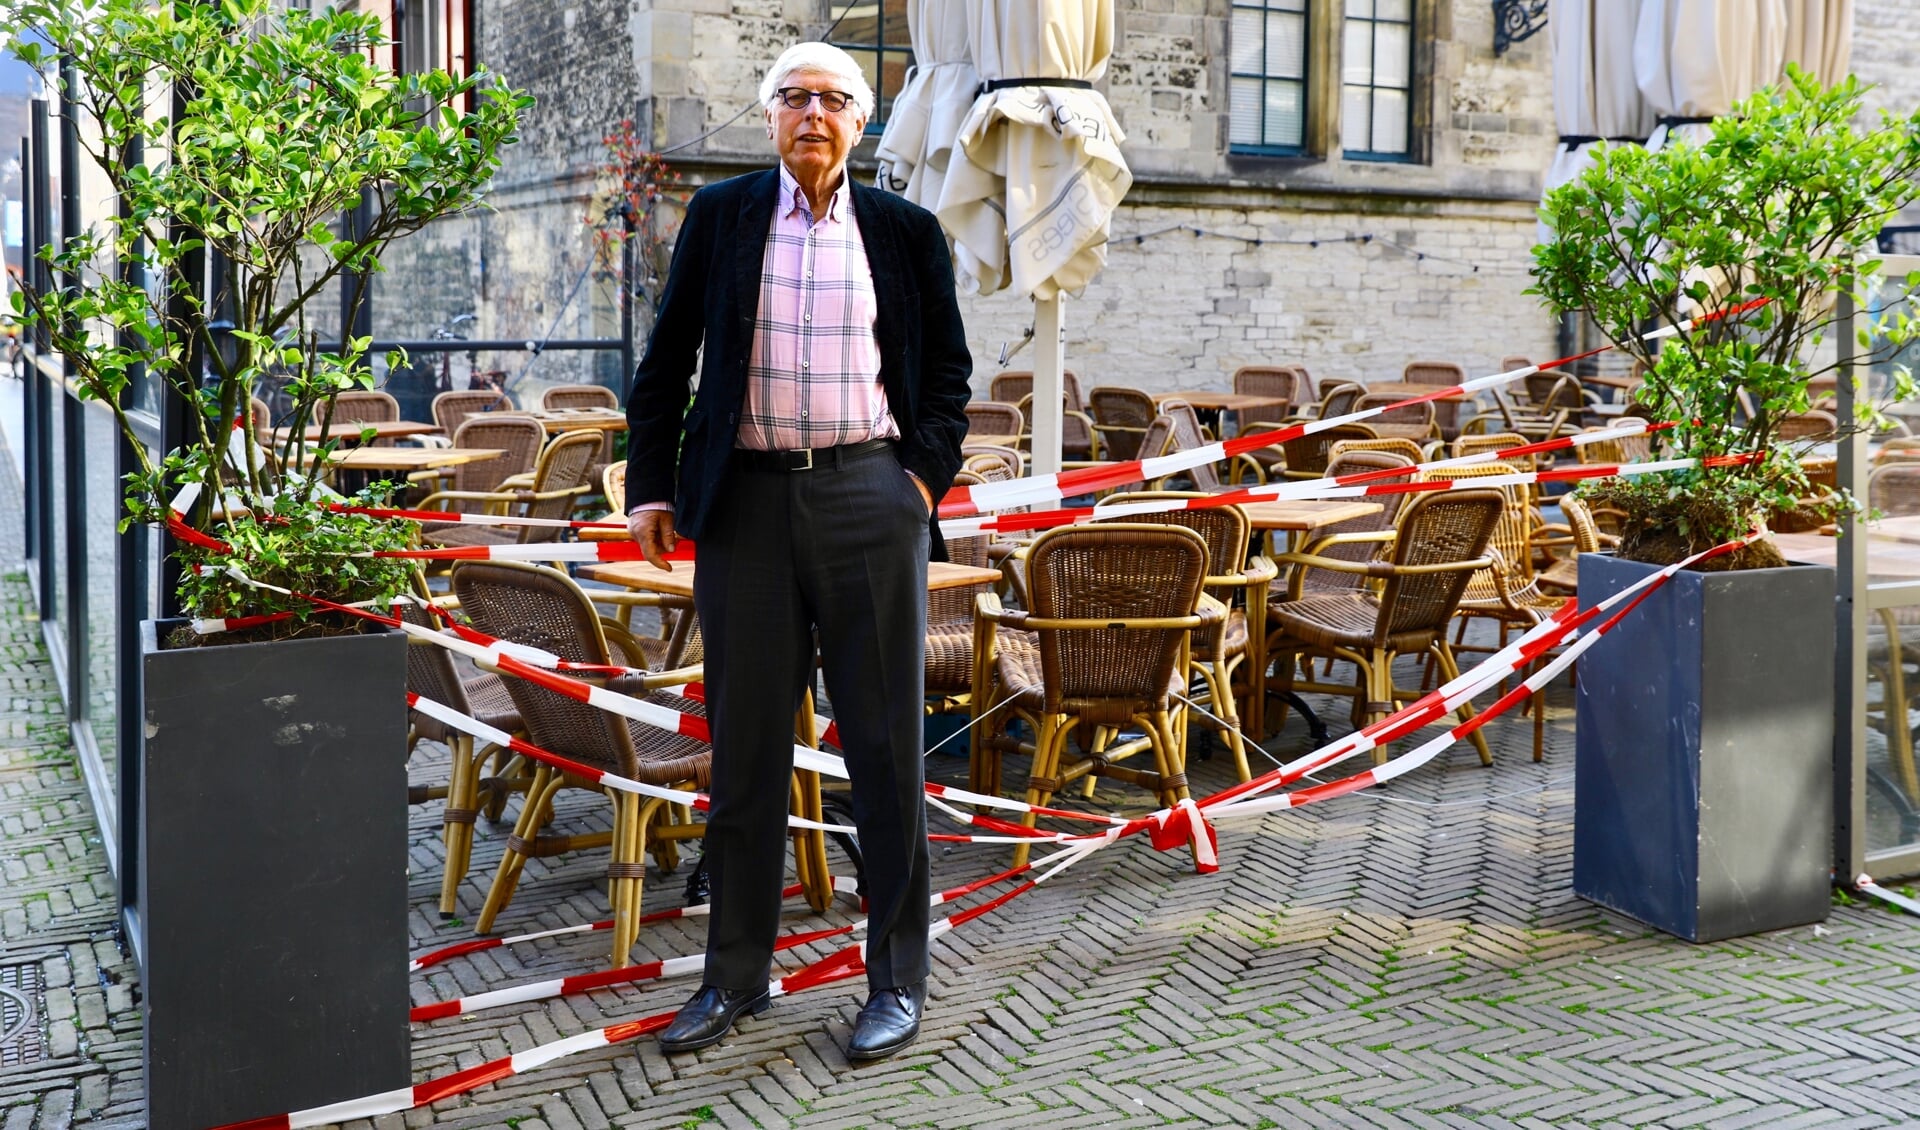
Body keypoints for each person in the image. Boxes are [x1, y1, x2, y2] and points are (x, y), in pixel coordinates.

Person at [623, 41, 972, 1061]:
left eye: (832, 98)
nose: (812, 113)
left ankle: (896, 980)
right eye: (794, 97)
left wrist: (919, 481)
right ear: (770, 116)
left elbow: (948, 372)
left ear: (861, 122)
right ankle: (735, 975)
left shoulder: (906, 233)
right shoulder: (723, 216)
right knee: (744, 758)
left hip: (871, 496)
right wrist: (652, 481)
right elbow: (667, 358)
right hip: (747, 507)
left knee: (884, 750)